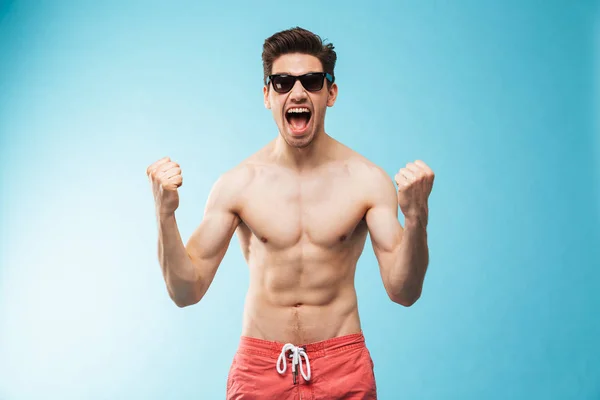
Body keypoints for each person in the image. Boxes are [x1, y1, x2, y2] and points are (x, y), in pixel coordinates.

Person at [146, 26, 434, 400]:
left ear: (330, 93)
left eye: (312, 81)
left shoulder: (367, 181)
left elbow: (404, 291)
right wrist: (164, 216)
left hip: (341, 365)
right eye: (282, 83)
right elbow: (186, 290)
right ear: (267, 95)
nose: (297, 92)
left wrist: (416, 219)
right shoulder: (238, 184)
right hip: (261, 369)